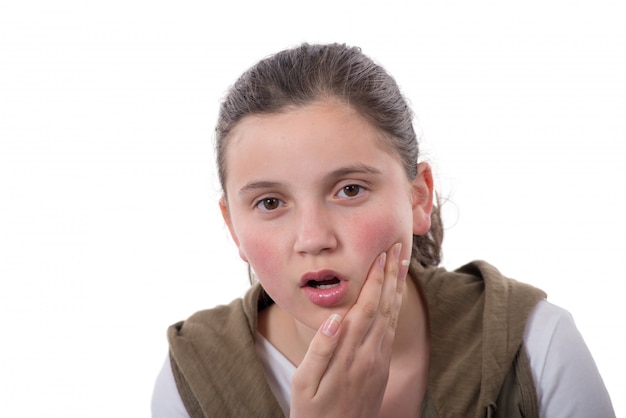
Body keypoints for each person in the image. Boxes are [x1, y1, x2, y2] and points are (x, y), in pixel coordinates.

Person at [151, 43, 615, 417]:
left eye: (349, 190)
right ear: (233, 227)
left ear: (418, 197)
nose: (313, 238)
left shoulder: (538, 344)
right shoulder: (192, 379)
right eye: (271, 203)